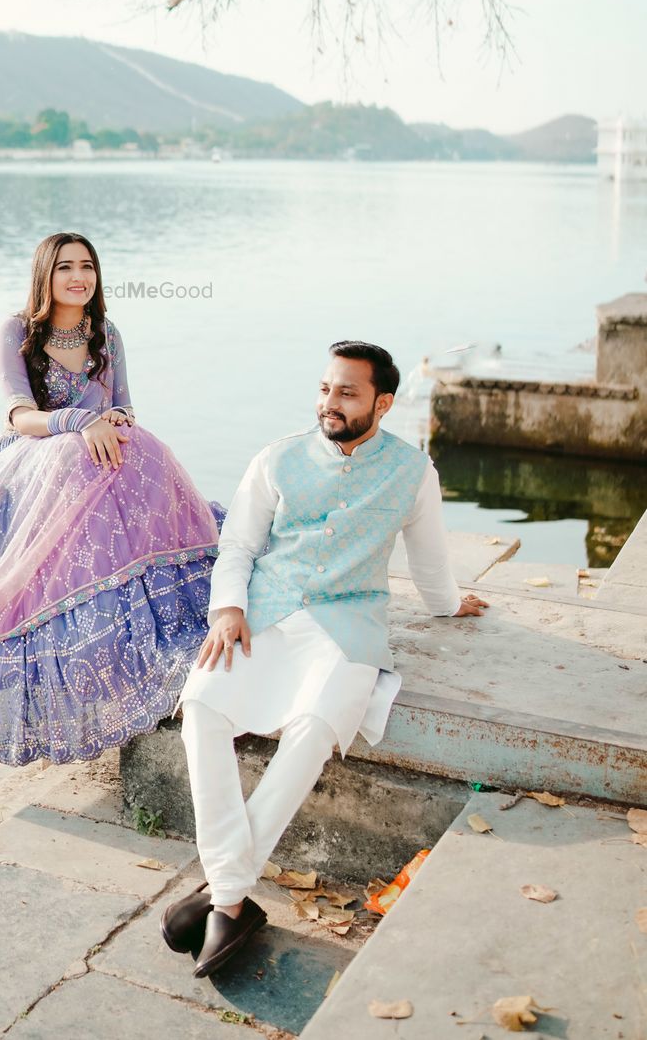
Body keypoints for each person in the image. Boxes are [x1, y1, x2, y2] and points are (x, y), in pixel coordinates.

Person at [161, 340, 489, 979]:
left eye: (346, 393)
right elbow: (238, 544)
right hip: (263, 616)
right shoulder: (276, 459)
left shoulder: (414, 471)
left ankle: (222, 895)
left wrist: (450, 605)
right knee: (201, 706)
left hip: (348, 629)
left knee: (313, 732)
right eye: (324, 389)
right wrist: (227, 608)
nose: (328, 404)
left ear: (382, 402)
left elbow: (429, 561)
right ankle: (229, 898)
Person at [0, 232, 222, 766]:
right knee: (74, 456)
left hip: (101, 448)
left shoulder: (107, 334)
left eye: (87, 266)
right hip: (35, 455)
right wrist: (77, 422)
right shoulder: (18, 331)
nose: (79, 277)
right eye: (65, 268)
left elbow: (126, 406)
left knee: (146, 447)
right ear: (45, 276)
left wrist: (115, 423)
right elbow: (18, 415)